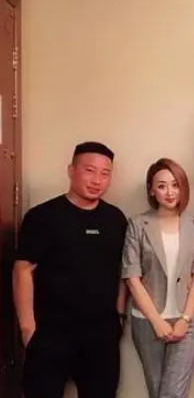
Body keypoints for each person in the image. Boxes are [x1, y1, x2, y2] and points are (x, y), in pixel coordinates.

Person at [13, 142, 127, 398]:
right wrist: (28, 329)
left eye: (105, 173)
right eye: (89, 170)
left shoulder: (115, 219)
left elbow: (123, 271)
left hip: (101, 336)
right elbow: (22, 271)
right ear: (71, 170)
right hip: (51, 333)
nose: (97, 180)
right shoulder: (42, 217)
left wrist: (119, 317)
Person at [121, 158, 194, 398]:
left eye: (175, 185)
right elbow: (132, 277)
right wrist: (156, 321)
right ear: (151, 190)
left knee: (171, 394)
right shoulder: (138, 224)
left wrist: (185, 319)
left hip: (187, 320)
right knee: (157, 391)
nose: (170, 192)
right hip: (147, 321)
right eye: (162, 186)